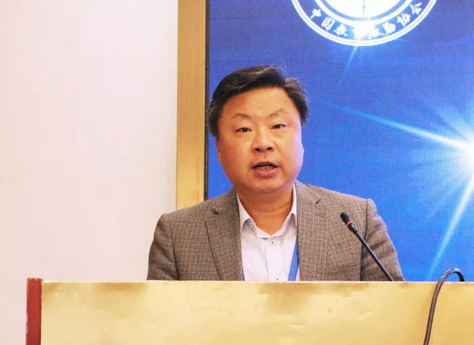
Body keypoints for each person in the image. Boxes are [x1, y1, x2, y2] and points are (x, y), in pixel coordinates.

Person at [147, 65, 403, 281]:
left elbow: (395, 316)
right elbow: (160, 323)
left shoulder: (357, 222)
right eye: (244, 129)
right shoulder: (178, 236)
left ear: (301, 138)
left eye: (278, 125)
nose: (263, 143)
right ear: (219, 148)